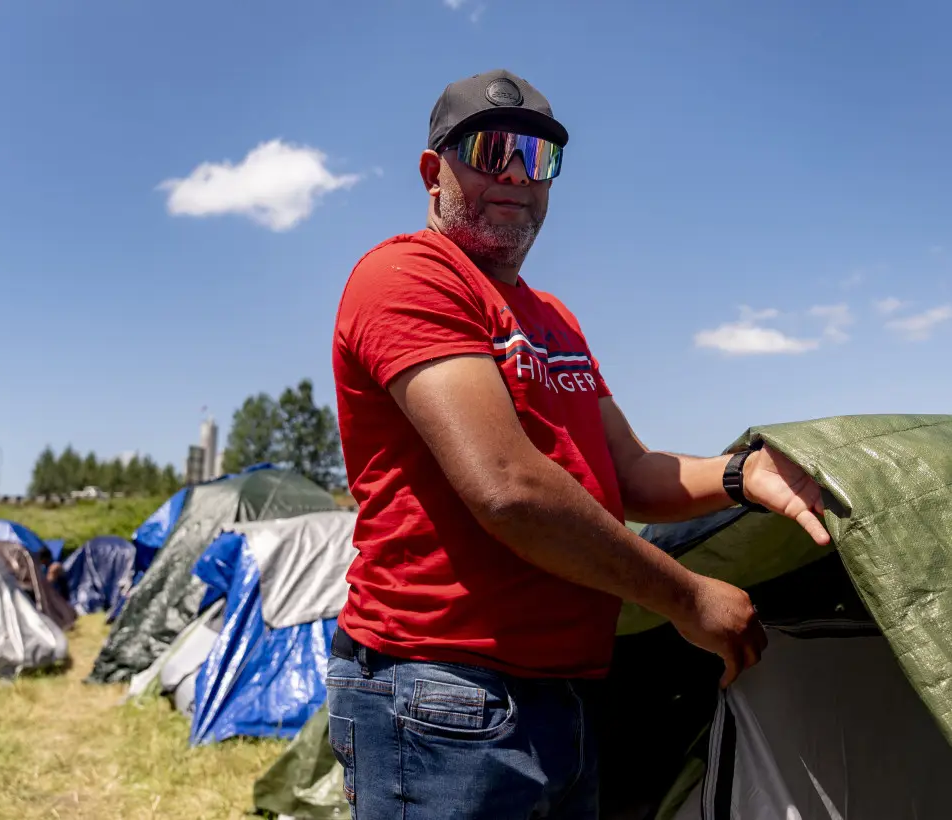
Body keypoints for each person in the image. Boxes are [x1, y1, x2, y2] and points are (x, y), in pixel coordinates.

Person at [327, 68, 830, 820]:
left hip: (561, 693)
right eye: (492, 151)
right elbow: (509, 487)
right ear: (433, 172)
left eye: (539, 159)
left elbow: (626, 469)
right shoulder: (406, 275)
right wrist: (687, 596)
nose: (518, 176)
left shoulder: (550, 317)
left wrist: (742, 473)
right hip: (443, 695)